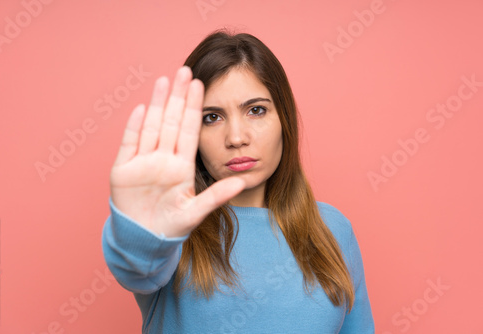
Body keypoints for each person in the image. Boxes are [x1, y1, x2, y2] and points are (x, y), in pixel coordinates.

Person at [102, 29, 374, 333]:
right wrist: (142, 233)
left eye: (256, 110)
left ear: (284, 119)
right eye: (211, 117)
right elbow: (138, 266)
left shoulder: (334, 230)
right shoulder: (172, 231)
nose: (235, 138)